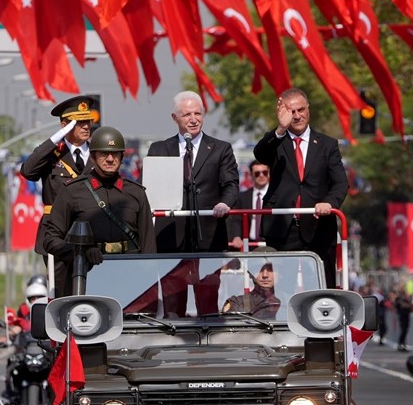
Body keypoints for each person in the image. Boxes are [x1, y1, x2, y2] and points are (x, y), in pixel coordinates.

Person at [42, 126, 157, 296]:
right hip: (86, 278)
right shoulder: (72, 191)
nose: (110, 159)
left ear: (121, 156)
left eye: (115, 154)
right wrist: (80, 252)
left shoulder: (136, 193)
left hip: (129, 278)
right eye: (104, 154)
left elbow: (148, 246)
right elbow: (50, 239)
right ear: (94, 156)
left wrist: (147, 286)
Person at [253, 88, 348, 288]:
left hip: (318, 225)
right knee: (282, 288)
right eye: (291, 111)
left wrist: (329, 203)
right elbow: (260, 154)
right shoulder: (276, 141)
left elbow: (340, 183)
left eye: (301, 110)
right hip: (282, 227)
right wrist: (280, 129)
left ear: (308, 110)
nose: (297, 116)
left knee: (322, 286)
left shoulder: (327, 145)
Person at [21, 95, 100, 295]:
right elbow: (28, 170)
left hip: (93, 231)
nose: (85, 126)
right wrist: (57, 137)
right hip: (58, 233)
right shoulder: (52, 156)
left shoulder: (98, 155)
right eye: (78, 122)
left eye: (88, 121)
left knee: (94, 292)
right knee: (61, 294)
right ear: (65, 125)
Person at [147, 91, 238, 252]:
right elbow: (147, 188)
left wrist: (225, 203)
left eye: (198, 113)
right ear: (175, 118)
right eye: (187, 114)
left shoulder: (221, 149)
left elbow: (230, 184)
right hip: (170, 234)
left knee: (208, 278)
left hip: (209, 233)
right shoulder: (159, 149)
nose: (194, 119)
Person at [0, 276, 53, 405]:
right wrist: (4, 340)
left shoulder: (50, 312)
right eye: (32, 298)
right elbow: (17, 327)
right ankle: (13, 400)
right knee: (11, 365)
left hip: (44, 351)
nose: (35, 300)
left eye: (39, 297)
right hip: (26, 349)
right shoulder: (23, 312)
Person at [229, 161, 270, 250]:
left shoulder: (276, 196)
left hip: (271, 245)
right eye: (257, 173)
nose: (261, 175)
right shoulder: (242, 197)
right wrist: (236, 236)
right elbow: (236, 220)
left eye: (265, 172)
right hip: (249, 246)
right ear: (251, 175)